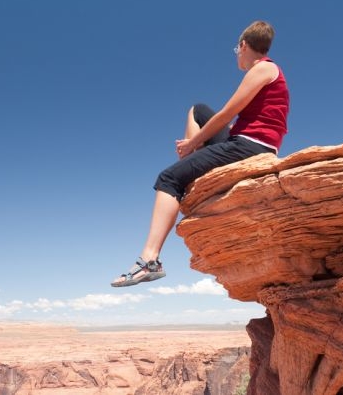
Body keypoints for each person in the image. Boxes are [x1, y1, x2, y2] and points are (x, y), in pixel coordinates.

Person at [111, 20, 290, 287]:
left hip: (250, 146)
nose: (238, 56)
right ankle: (191, 163)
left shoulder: (263, 68)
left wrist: (191, 142)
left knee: (168, 178)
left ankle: (150, 260)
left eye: (237, 50)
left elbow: (227, 113)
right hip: (251, 141)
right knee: (198, 109)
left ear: (243, 46)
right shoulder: (269, 70)